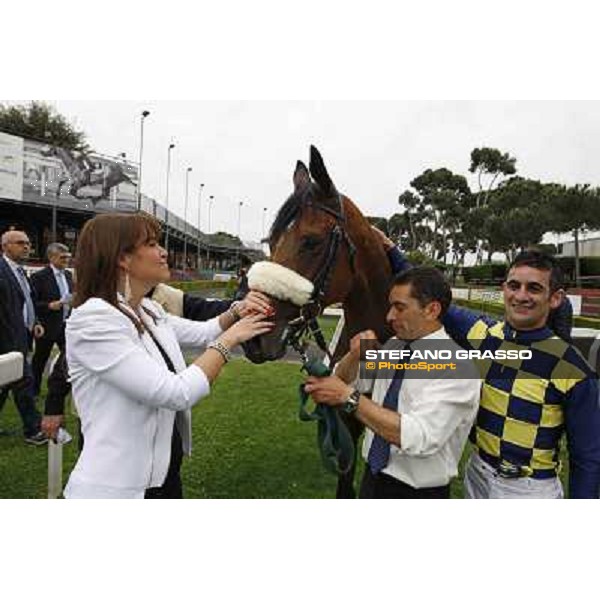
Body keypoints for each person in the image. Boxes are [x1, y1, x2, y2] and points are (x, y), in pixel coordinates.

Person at [63, 213, 274, 499]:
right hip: (119, 489)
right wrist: (230, 339)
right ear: (122, 258)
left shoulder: (149, 310)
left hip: (163, 477)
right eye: (151, 244)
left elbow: (204, 333)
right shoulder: (94, 319)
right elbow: (175, 392)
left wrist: (237, 310)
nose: (163, 252)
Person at [387, 246, 600, 498]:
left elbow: (588, 457)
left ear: (555, 298)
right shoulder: (481, 332)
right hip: (477, 472)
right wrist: (390, 249)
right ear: (504, 290)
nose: (521, 296)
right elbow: (423, 288)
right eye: (514, 285)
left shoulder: (572, 368)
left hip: (529, 489)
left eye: (534, 288)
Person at [304, 267, 481, 499]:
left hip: (418, 494)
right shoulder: (394, 345)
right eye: (390, 306)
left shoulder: (459, 367)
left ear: (431, 310)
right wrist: (354, 356)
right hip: (372, 478)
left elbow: (420, 436)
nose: (389, 316)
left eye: (399, 307)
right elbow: (346, 381)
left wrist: (347, 397)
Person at [0, 230, 47, 445]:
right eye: (20, 243)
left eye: (28, 243)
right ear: (5, 246)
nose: (27, 246)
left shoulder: (20, 272)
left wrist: (34, 322)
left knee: (4, 385)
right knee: (24, 383)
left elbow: (26, 302)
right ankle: (34, 430)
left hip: (22, 337)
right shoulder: (2, 271)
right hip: (8, 341)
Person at [30, 243, 74, 396]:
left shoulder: (68, 275)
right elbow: (32, 303)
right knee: (40, 360)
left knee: (69, 356)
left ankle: (61, 387)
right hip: (47, 325)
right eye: (63, 257)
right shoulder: (39, 277)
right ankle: (33, 390)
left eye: (68, 257)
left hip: (65, 324)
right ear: (51, 257)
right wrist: (49, 305)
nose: (66, 260)